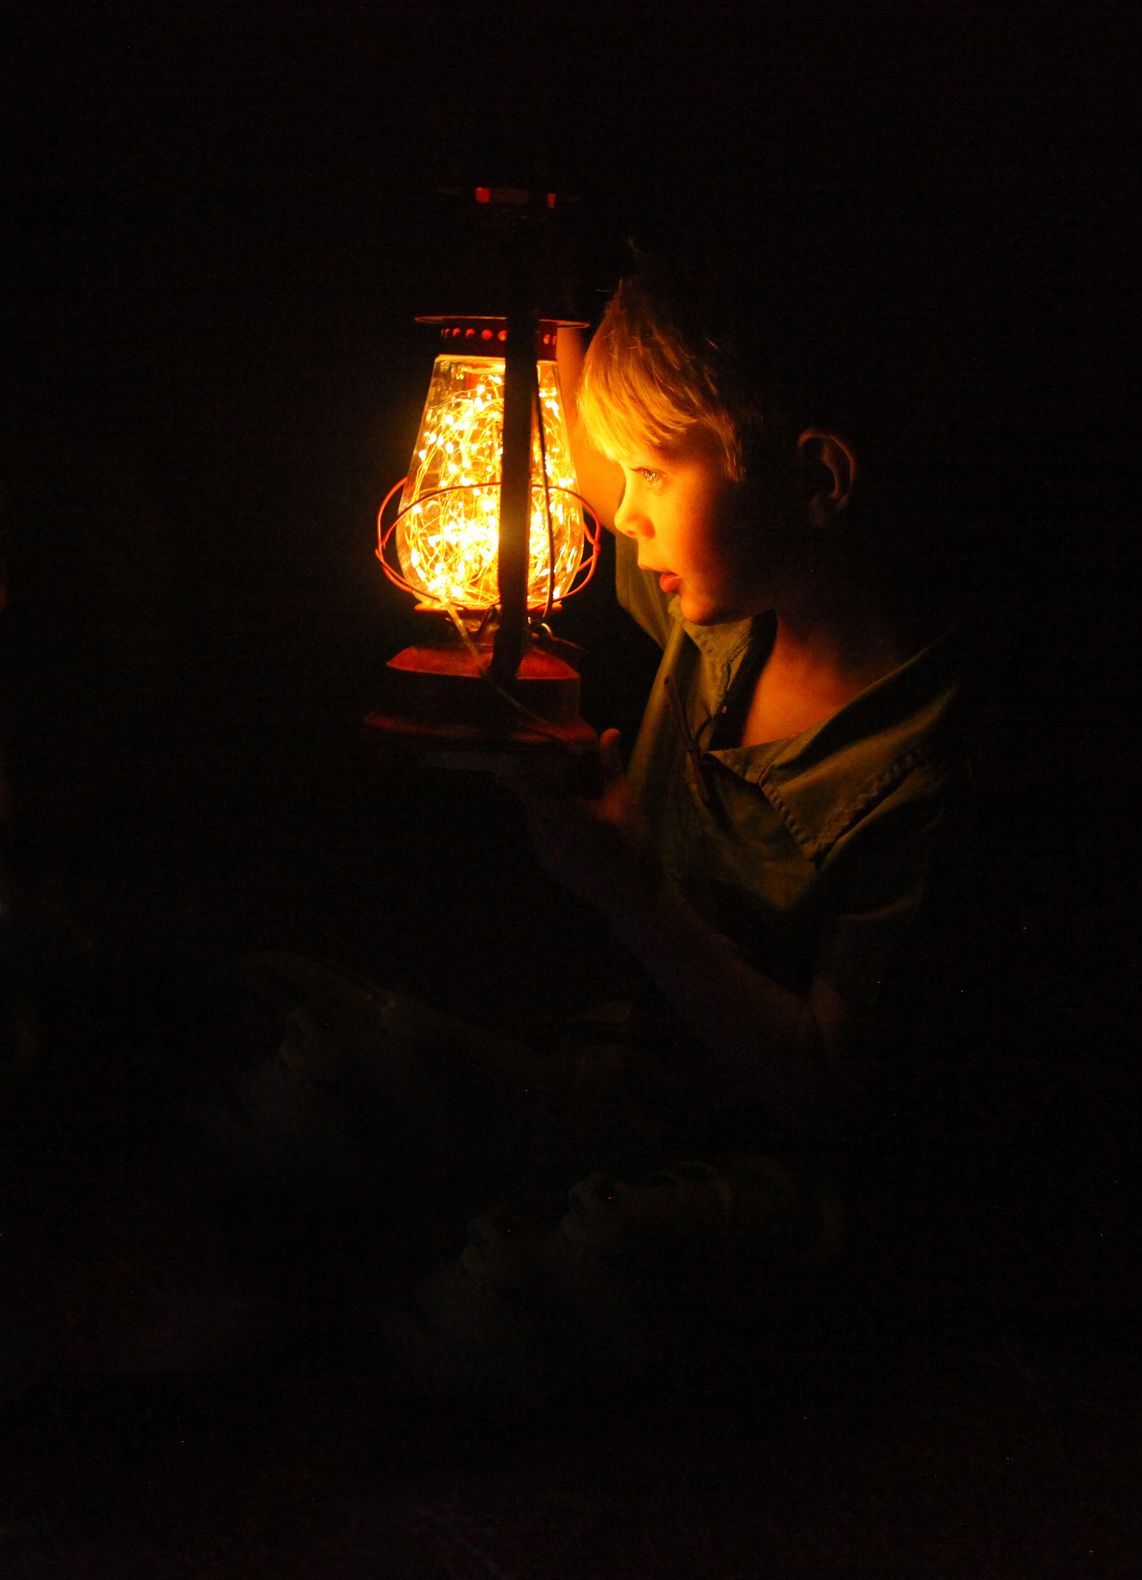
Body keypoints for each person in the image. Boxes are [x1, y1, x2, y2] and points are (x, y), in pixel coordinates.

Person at [211, 252, 972, 1406]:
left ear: (816, 480)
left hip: (793, 1176)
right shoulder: (718, 619)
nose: (621, 506)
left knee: (511, 1292)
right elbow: (598, 450)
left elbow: (828, 1085)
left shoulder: (919, 769)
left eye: (655, 472)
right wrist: (535, 249)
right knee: (266, 1019)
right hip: (622, 1084)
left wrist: (632, 895)